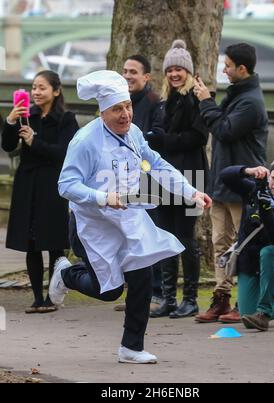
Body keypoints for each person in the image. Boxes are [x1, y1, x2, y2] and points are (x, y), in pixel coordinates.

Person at [49, 70, 212, 364]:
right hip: (91, 225)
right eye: (117, 109)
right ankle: (65, 273)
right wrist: (103, 198)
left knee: (142, 277)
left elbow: (157, 164)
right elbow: (66, 185)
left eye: (128, 106)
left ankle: (131, 347)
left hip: (130, 220)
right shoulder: (84, 141)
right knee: (108, 291)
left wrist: (191, 192)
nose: (125, 115)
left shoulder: (135, 133)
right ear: (103, 111)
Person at [193, 43, 269, 324]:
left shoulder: (251, 102)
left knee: (245, 243)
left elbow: (224, 130)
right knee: (220, 243)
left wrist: (205, 101)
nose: (223, 70)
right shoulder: (237, 95)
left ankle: (245, 301)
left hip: (243, 185)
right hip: (223, 182)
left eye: (227, 65)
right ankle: (221, 298)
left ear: (242, 69)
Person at [1, 70, 79, 314]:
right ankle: (37, 297)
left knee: (54, 241)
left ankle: (53, 296)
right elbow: (7, 145)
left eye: (42, 87)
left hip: (53, 184)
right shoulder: (27, 116)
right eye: (33, 87)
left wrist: (36, 142)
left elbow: (65, 153)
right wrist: (11, 121)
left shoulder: (66, 119)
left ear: (56, 91)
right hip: (27, 183)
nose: (36, 92)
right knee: (31, 242)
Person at [148, 40, 210, 319]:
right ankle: (169, 298)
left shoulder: (196, 98)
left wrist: (166, 140)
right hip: (163, 177)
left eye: (179, 69)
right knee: (166, 237)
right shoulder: (163, 101)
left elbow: (198, 137)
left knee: (187, 238)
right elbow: (157, 133)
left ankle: (191, 299)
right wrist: (161, 139)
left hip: (191, 175)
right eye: (170, 69)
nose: (174, 74)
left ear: (188, 72)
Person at [220, 153, 274, 331]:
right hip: (250, 258)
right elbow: (225, 176)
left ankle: (264, 314)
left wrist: (265, 209)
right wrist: (248, 170)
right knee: (247, 314)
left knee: (269, 251)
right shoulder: (253, 190)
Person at [122, 54, 164, 309]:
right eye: (125, 71)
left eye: (133, 72)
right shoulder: (119, 101)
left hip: (148, 180)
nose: (128, 75)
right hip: (123, 180)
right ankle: (134, 292)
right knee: (129, 237)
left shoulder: (155, 102)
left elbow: (158, 137)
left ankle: (155, 293)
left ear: (146, 77)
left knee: (149, 235)